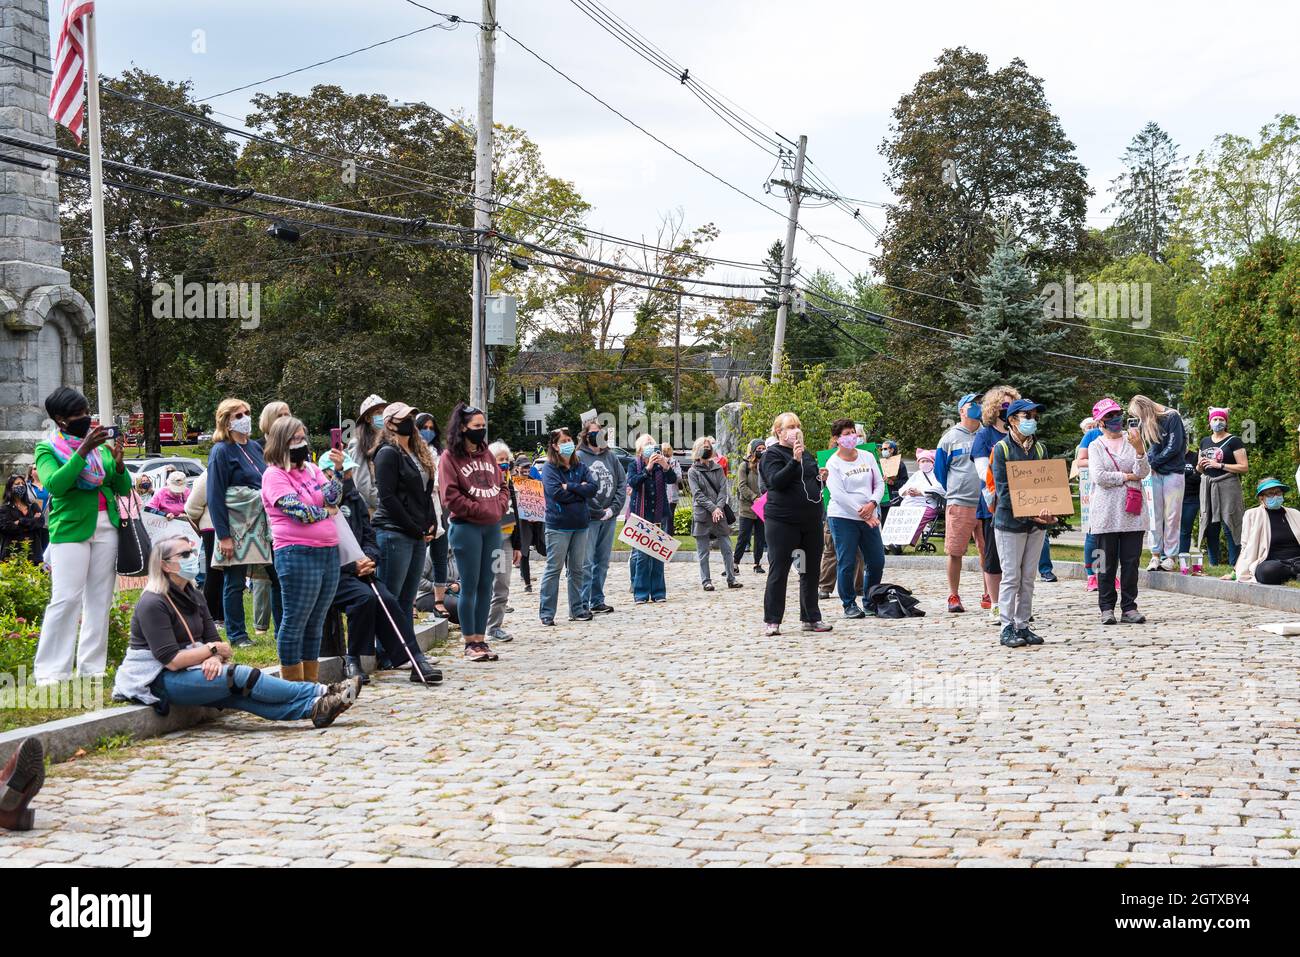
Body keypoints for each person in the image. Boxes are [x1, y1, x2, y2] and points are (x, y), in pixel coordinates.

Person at [112, 534, 361, 727]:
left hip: (192, 669)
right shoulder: (152, 603)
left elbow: (220, 645)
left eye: (192, 551)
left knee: (240, 697)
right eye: (185, 554)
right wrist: (210, 651)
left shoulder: (194, 595)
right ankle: (323, 691)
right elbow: (172, 660)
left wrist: (213, 656)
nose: (192, 556)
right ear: (166, 565)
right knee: (240, 676)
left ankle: (316, 709)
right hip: (156, 680)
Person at [31, 387, 132, 685]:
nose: (85, 418)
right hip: (71, 529)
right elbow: (56, 485)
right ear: (60, 419)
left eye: (86, 411)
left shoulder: (100, 445)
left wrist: (119, 464)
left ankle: (92, 668)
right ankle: (51, 671)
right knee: (65, 598)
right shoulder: (47, 448)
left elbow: (122, 487)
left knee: (100, 599)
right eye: (77, 414)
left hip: (106, 525)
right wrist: (83, 450)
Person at [325, 454, 441, 684]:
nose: (348, 478)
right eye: (343, 474)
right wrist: (351, 566)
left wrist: (370, 558)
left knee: (387, 598)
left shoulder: (354, 499)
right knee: (364, 598)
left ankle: (414, 658)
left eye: (349, 473)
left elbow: (369, 535)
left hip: (362, 569)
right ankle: (353, 659)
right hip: (333, 573)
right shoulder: (323, 505)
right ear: (328, 476)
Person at [261, 416, 343, 681]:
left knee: (316, 622)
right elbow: (298, 512)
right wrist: (326, 513)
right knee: (296, 620)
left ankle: (311, 685)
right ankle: (293, 687)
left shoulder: (310, 468)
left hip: (327, 550)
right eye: (295, 439)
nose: (301, 443)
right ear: (281, 442)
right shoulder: (274, 475)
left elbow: (332, 497)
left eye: (302, 437)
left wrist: (338, 473)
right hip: (297, 552)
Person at [206, 397, 280, 648]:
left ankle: (282, 630)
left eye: (247, 413)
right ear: (226, 421)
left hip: (261, 526)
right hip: (236, 527)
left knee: (277, 576)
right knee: (235, 582)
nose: (245, 418)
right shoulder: (220, 451)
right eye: (238, 415)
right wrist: (223, 535)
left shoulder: (255, 448)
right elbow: (215, 495)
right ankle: (237, 635)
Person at [439, 402, 509, 661]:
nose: (481, 430)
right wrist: (480, 509)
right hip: (466, 527)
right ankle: (469, 641)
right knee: (468, 585)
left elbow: (502, 486)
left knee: (486, 585)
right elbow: (450, 496)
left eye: (483, 426)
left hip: (492, 528)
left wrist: (498, 507)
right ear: (463, 428)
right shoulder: (449, 457)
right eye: (476, 426)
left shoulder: (487, 455)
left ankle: (482, 638)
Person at [989, 400, 1054, 648]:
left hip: (1036, 526)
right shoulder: (1002, 449)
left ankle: (1023, 624)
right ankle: (1007, 626)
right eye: (1028, 415)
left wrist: (1050, 511)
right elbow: (1003, 492)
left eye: (1035, 416)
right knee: (1011, 577)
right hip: (1009, 524)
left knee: (1028, 577)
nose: (1032, 420)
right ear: (1013, 419)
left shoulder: (1039, 449)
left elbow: (1048, 487)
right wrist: (1030, 515)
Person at [759, 413, 830, 636]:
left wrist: (821, 479)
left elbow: (807, 482)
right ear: (779, 431)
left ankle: (811, 617)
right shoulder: (771, 455)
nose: (795, 430)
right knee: (779, 569)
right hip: (782, 521)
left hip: (809, 520)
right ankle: (773, 620)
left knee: (809, 570)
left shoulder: (807, 454)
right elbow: (775, 482)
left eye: (798, 426)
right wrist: (794, 461)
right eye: (790, 426)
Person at [371, 402, 437, 625]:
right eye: (403, 418)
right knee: (391, 596)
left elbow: (425, 493)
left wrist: (431, 521)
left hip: (417, 533)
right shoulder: (387, 453)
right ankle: (386, 651)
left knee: (408, 599)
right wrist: (412, 526)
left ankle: (408, 650)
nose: (409, 421)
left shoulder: (419, 453)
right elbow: (388, 497)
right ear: (389, 423)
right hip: (394, 531)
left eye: (411, 416)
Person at [1088, 398, 1151, 624]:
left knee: (1131, 562)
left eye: (1117, 414)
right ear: (1100, 422)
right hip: (1106, 514)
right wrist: (1126, 477)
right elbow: (1099, 477)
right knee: (1105, 563)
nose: (1115, 419)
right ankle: (1106, 607)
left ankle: (1129, 606)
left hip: (1133, 513)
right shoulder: (1095, 446)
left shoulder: (1133, 441)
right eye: (1109, 416)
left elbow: (1143, 472)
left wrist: (1140, 451)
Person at [824, 418, 885, 619]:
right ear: (837, 438)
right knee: (847, 561)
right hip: (843, 517)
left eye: (853, 433)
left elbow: (879, 483)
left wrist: (872, 504)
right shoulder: (833, 463)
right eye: (847, 434)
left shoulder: (867, 456)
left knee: (876, 560)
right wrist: (863, 512)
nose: (852, 437)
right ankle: (848, 603)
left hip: (869, 515)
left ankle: (870, 599)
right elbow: (838, 494)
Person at [934, 393, 987, 613]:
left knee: (988, 552)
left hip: (986, 503)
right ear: (961, 411)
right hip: (960, 502)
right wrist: (956, 489)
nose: (976, 407)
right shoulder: (949, 438)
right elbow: (940, 471)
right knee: (955, 552)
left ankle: (988, 594)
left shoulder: (987, 435)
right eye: (971, 404)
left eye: (979, 403)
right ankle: (953, 596)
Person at [971, 385, 1021, 618]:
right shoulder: (985, 435)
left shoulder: (1021, 433)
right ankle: (996, 603)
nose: (1008, 409)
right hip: (995, 504)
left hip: (1021, 502)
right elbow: (983, 470)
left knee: (1018, 557)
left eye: (1012, 404)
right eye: (1004, 405)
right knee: (993, 556)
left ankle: (1017, 604)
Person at [539, 428, 597, 625]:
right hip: (558, 526)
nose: (568, 443)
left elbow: (592, 489)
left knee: (577, 570)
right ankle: (547, 612)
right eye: (563, 440)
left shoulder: (580, 466)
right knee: (553, 569)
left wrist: (571, 486)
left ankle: (577, 609)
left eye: (569, 439)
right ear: (555, 446)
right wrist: (579, 490)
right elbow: (556, 494)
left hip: (580, 524)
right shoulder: (549, 468)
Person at [1129, 394, 1186, 572]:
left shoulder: (1172, 417)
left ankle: (1170, 556)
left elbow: (1174, 446)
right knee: (1154, 515)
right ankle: (1155, 554)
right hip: (1153, 473)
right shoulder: (1144, 423)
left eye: (1139, 414)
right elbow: (1145, 448)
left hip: (1173, 472)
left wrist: (1153, 463)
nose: (1139, 419)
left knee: (1172, 515)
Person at [577, 412, 627, 614]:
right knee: (586, 562)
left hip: (609, 517)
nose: (597, 436)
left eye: (600, 432)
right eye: (594, 432)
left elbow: (621, 483)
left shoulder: (611, 456)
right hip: (589, 518)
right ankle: (582, 602)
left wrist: (612, 509)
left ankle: (597, 599)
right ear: (585, 435)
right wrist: (597, 510)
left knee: (602, 561)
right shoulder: (579, 457)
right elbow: (578, 486)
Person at [627, 434, 677, 604]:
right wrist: (647, 468)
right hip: (641, 514)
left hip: (658, 513)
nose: (651, 447)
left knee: (657, 554)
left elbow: (673, 480)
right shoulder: (635, 464)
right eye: (647, 444)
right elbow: (633, 482)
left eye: (652, 444)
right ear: (641, 450)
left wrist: (665, 467)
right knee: (642, 556)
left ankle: (658, 592)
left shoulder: (660, 465)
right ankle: (640, 593)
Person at [689, 435, 741, 592]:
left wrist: (718, 508)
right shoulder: (693, 471)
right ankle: (706, 581)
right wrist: (713, 508)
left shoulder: (718, 468)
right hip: (703, 515)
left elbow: (722, 490)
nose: (707, 448)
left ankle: (731, 579)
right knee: (703, 551)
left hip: (719, 514)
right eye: (703, 446)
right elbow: (697, 494)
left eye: (708, 446)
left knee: (726, 547)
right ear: (697, 449)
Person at [1197, 407, 1247, 568]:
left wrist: (1220, 465)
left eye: (1221, 420)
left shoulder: (1234, 441)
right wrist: (1200, 465)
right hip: (1208, 486)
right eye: (1214, 419)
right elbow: (1200, 469)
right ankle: (1213, 563)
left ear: (1226, 422)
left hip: (1228, 485)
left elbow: (1244, 467)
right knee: (1210, 526)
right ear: (1209, 422)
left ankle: (1235, 564)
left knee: (1230, 524)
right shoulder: (1204, 441)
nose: (1218, 422)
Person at [485, 441, 522, 643]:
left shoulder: (509, 482)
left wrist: (518, 545)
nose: (504, 464)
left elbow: (514, 513)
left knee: (502, 584)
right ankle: (483, 626)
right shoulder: (483, 482)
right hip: (490, 539)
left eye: (506, 460)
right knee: (491, 584)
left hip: (506, 540)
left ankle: (494, 626)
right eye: (500, 460)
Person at [1233, 478, 1300, 585]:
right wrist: (1236, 571)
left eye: (1278, 492)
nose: (1275, 496)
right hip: (1273, 563)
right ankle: (1294, 572)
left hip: (1297, 559)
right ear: (1261, 498)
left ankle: (1293, 572)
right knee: (1267, 571)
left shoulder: (1295, 513)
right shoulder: (1252, 515)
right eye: (1270, 494)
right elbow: (1245, 547)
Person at [417, 411, 451, 612]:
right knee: (418, 555)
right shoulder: (410, 452)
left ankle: (439, 600)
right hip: (420, 506)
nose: (428, 432)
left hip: (439, 506)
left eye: (431, 428)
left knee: (441, 553)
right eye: (424, 428)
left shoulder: (440, 453)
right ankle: (412, 600)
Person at [184, 471, 224, 624]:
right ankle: (212, 615)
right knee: (214, 571)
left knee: (228, 574)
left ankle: (222, 614)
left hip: (233, 525)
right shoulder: (208, 474)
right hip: (212, 525)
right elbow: (193, 506)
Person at [1074, 415, 1105, 591]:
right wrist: (1100, 463)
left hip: (1113, 491)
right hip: (1091, 491)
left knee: (1111, 537)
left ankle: (1107, 574)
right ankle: (1092, 575)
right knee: (1092, 534)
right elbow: (1080, 461)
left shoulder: (1121, 435)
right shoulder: (1091, 435)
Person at [348, 394, 388, 515]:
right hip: (372, 512)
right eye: (377, 412)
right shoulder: (357, 444)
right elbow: (362, 484)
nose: (382, 416)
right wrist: (386, 504)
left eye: (383, 412)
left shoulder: (388, 441)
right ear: (368, 418)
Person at [897, 449, 943, 547]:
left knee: (918, 516)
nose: (925, 463)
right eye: (922, 461)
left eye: (927, 461)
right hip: (912, 503)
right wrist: (907, 491)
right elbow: (903, 488)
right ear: (919, 463)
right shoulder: (917, 474)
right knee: (899, 515)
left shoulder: (937, 473)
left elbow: (940, 488)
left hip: (929, 504)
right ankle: (892, 541)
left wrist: (920, 492)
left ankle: (903, 544)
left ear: (932, 462)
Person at [733, 439, 766, 572]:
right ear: (753, 450)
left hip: (762, 506)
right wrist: (754, 497)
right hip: (747, 508)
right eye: (759, 449)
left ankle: (757, 563)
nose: (761, 451)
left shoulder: (765, 465)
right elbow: (742, 486)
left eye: (763, 448)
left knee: (760, 537)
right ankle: (735, 563)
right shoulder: (744, 466)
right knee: (743, 536)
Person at [513, 453, 544, 591]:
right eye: (523, 467)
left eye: (528, 467)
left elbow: (541, 500)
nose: (526, 469)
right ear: (517, 468)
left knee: (544, 547)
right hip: (521, 523)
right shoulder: (513, 483)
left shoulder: (534, 482)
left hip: (536, 521)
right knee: (524, 551)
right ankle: (527, 583)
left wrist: (537, 514)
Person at [0, 474, 45, 562]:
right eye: (17, 484)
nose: (21, 486)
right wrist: (32, 521)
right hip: (12, 554)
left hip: (33, 553)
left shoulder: (33, 506)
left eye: (22, 484)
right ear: (10, 488)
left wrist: (20, 521)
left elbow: (40, 522)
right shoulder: (4, 508)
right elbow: (6, 527)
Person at [879, 438, 909, 556]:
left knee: (894, 522)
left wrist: (893, 483)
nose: (883, 451)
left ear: (892, 450)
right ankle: (886, 545)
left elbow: (905, 482)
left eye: (885, 449)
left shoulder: (900, 464)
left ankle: (897, 545)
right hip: (883, 497)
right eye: (882, 449)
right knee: (884, 522)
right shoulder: (880, 464)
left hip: (895, 497)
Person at [1179, 439, 1201, 565]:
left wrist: (1183, 478)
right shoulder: (1173, 457)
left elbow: (1198, 477)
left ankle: (1183, 559)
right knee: (1170, 529)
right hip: (1174, 498)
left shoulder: (1195, 456)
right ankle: (1168, 558)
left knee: (1185, 531)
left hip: (1191, 499)